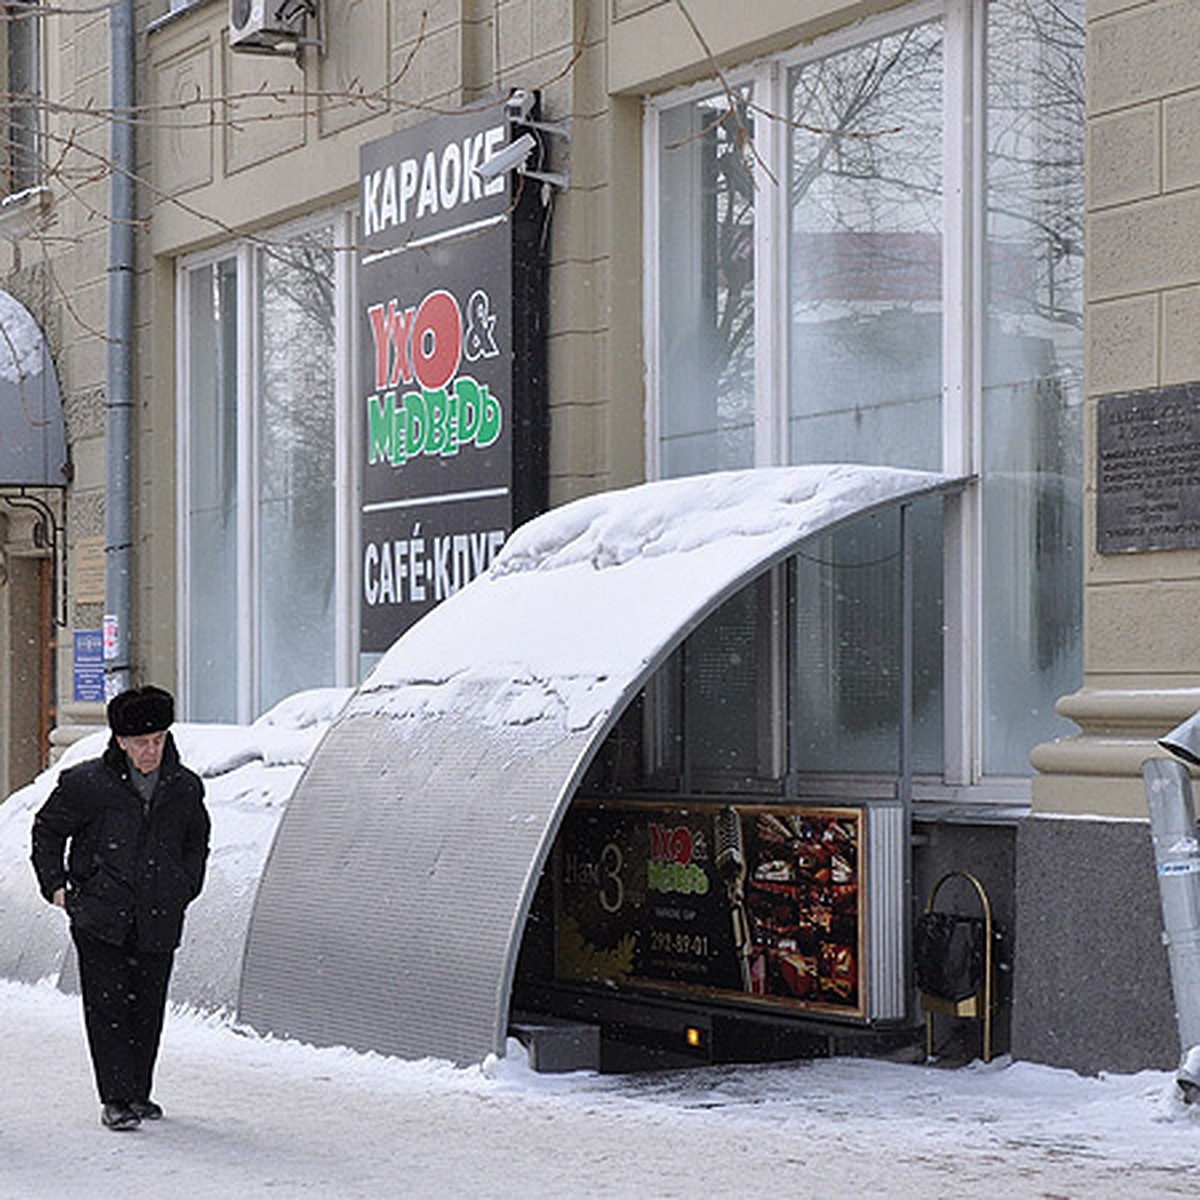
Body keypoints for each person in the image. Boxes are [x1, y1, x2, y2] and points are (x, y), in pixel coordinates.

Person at [31, 685, 210, 1131]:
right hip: (99, 917)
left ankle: (139, 1092)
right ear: (121, 742)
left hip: (158, 915)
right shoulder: (87, 784)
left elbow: (196, 843)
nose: (151, 751)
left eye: (159, 740)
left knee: (147, 1007)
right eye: (142, 742)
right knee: (108, 1007)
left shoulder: (184, 787)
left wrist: (184, 886)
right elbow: (47, 832)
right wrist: (58, 888)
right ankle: (115, 1099)